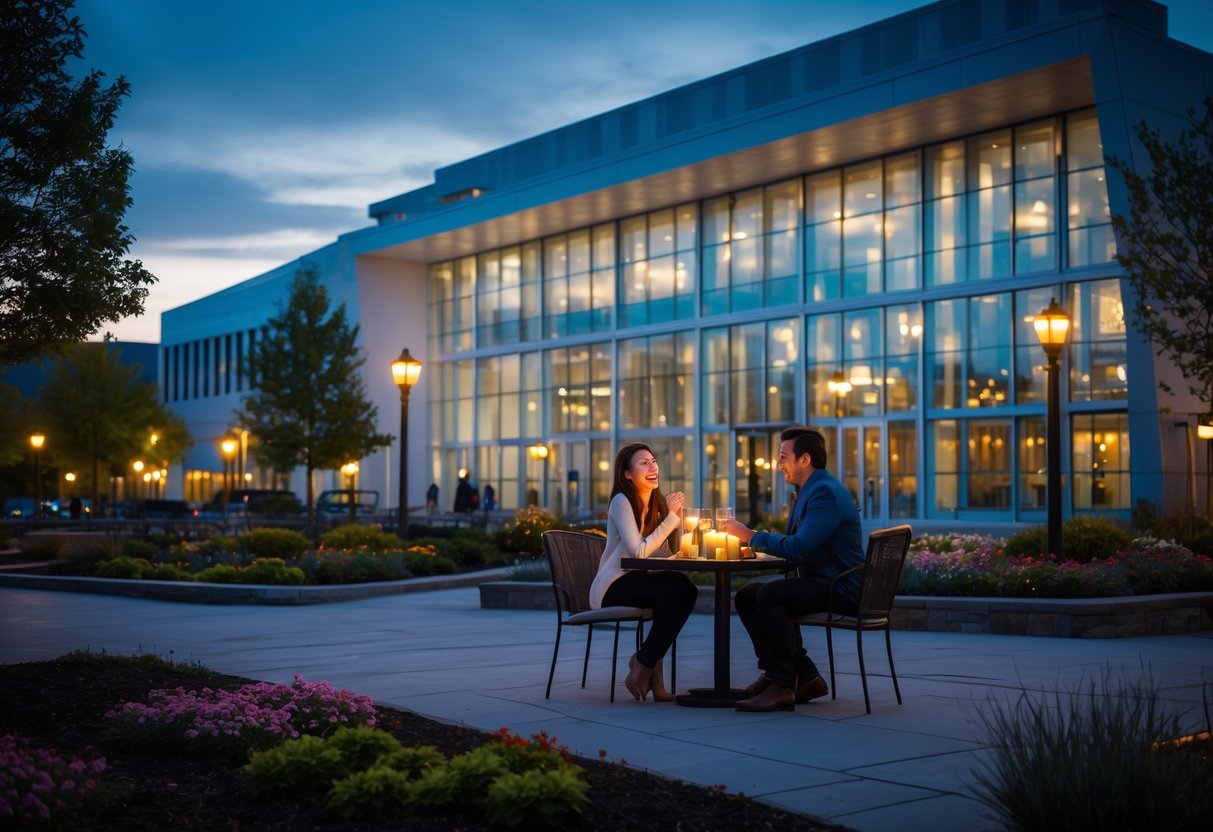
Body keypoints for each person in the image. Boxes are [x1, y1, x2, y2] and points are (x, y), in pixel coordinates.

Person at [722, 425, 864, 713]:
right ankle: (801, 676)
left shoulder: (824, 493)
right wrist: (753, 547)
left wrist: (750, 535)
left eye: (783, 457)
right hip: (823, 581)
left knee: (771, 595)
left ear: (804, 459)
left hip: (841, 587)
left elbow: (799, 546)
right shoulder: (809, 491)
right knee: (749, 595)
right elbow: (795, 547)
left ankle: (783, 685)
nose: (778, 465)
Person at [589, 442, 698, 702]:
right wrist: (670, 518)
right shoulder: (621, 501)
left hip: (640, 579)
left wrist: (681, 536)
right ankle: (644, 664)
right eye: (643, 463)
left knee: (686, 589)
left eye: (654, 461)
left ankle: (647, 665)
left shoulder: (657, 503)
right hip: (613, 585)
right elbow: (639, 553)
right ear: (627, 474)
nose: (653, 467)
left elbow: (658, 555)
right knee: (675, 588)